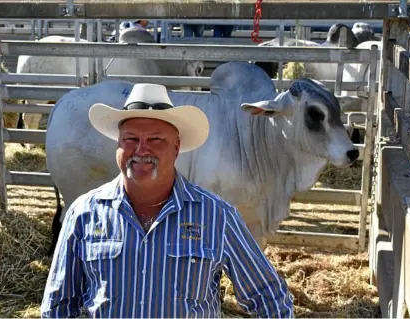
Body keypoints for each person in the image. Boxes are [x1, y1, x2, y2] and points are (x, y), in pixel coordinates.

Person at [40, 83, 294, 318]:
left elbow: (268, 295)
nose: (141, 150)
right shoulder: (84, 213)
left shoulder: (216, 215)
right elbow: (58, 305)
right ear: (117, 144)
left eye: (156, 140)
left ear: (176, 147)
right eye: (131, 139)